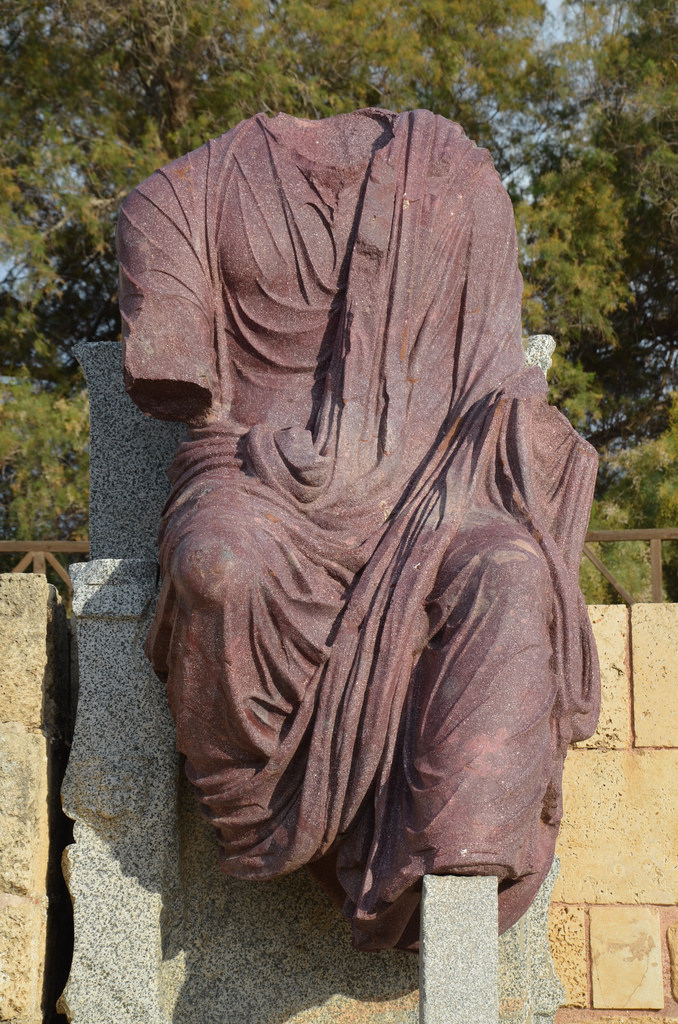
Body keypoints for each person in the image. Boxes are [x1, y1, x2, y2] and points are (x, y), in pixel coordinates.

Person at [117, 107, 600, 952]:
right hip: (257, 481)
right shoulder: (176, 199)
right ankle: (264, 808)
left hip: (435, 484)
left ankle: (456, 900)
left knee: (513, 571)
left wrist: (529, 439)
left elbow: (495, 378)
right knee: (216, 566)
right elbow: (174, 378)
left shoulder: (453, 174)